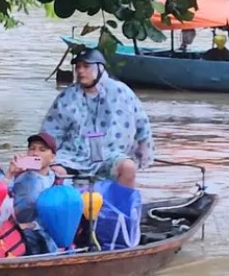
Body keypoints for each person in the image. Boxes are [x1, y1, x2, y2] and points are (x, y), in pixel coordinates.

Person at [39, 48, 153, 189]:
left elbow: (142, 124)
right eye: (78, 67)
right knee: (55, 172)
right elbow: (50, 132)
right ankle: (63, 208)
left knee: (128, 168)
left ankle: (121, 209)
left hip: (109, 154)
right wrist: (42, 157)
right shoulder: (67, 97)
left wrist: (144, 155)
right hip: (73, 155)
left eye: (86, 66)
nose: (80, 71)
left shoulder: (121, 92)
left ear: (99, 68)